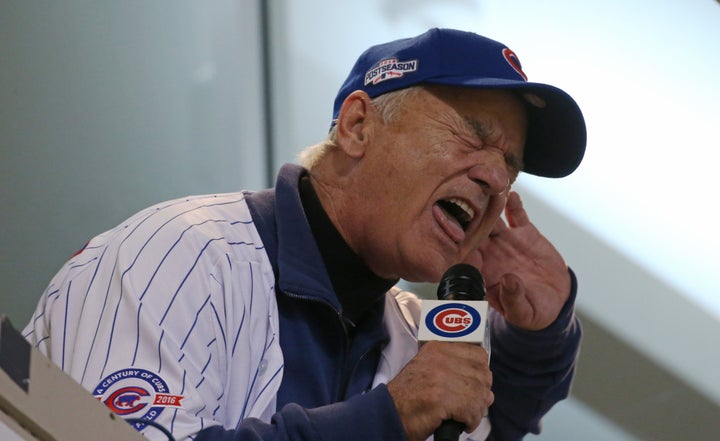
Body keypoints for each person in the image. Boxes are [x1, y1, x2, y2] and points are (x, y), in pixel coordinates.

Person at [23, 28, 586, 441]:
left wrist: (542, 335)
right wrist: (387, 417)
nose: (494, 178)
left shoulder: (413, 336)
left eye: (509, 168)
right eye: (470, 134)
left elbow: (488, 423)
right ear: (357, 126)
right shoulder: (178, 254)